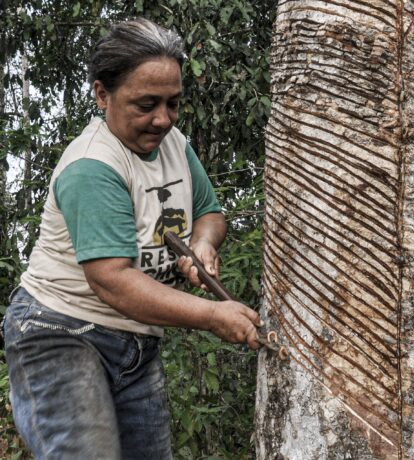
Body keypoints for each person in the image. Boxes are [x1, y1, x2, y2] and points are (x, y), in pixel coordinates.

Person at [2, 18, 261, 459]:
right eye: (146, 105)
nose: (162, 119)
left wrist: (203, 244)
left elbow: (210, 213)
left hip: (136, 342)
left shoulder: (175, 144)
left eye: (173, 103)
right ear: (103, 94)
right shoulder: (93, 167)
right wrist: (214, 315)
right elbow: (113, 281)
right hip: (60, 333)